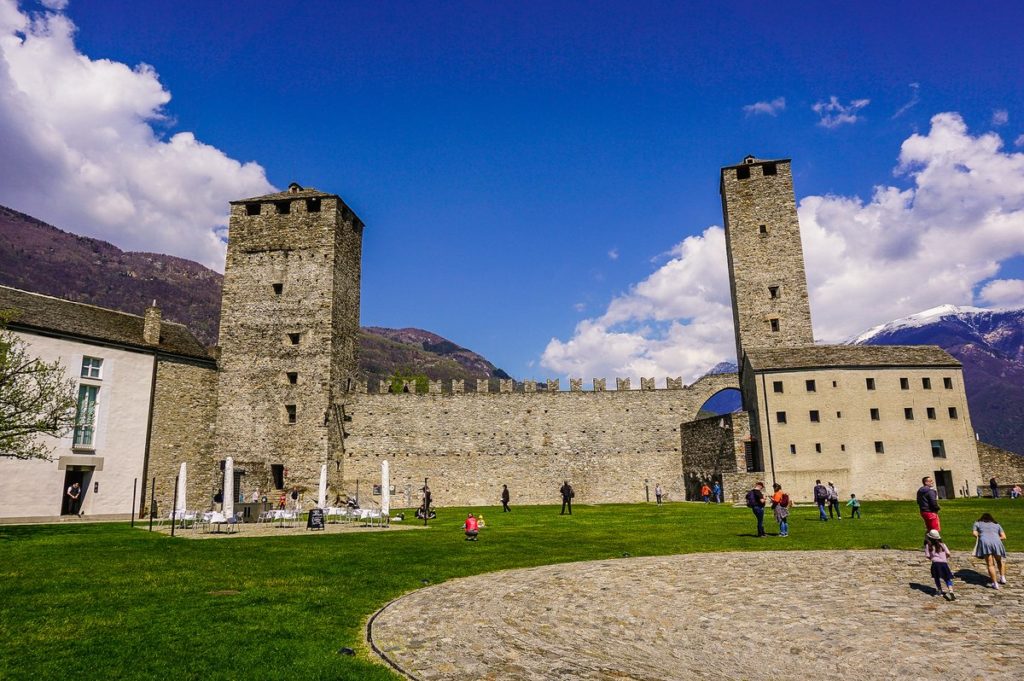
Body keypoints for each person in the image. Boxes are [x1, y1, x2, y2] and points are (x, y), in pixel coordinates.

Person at [972, 512, 1007, 589]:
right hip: (997, 542)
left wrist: (980, 535)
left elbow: (974, 533)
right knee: (999, 561)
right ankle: (1003, 577)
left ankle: (995, 583)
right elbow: (1004, 537)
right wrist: (995, 538)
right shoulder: (997, 524)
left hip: (985, 542)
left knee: (990, 564)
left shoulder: (977, 523)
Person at [924, 529, 956, 601]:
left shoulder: (928, 546)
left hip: (935, 564)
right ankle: (951, 591)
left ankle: (939, 590)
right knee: (947, 578)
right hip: (944, 564)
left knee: (936, 577)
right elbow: (948, 553)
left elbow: (927, 555)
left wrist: (932, 558)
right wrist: (945, 558)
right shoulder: (942, 545)